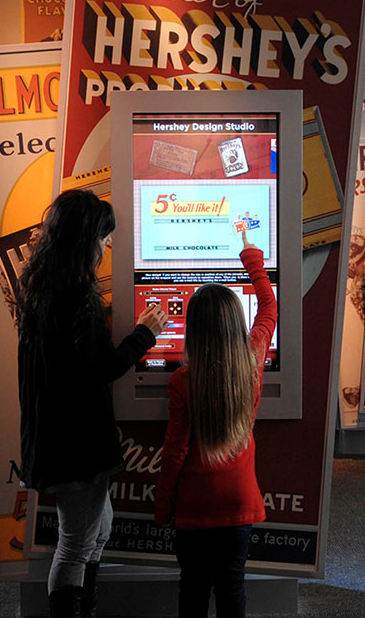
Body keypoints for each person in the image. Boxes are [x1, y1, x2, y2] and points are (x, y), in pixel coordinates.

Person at [16, 189, 167, 618]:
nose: (106, 246)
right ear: (84, 239)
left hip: (59, 438)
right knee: (77, 544)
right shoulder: (78, 299)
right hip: (76, 443)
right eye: (103, 238)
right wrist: (146, 332)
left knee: (96, 532)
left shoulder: (40, 289)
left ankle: (85, 607)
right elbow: (103, 367)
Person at [154, 231, 277, 618]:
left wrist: (162, 506)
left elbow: (175, 451)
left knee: (192, 588)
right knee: (232, 587)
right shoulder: (252, 361)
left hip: (194, 506)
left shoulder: (183, 381)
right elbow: (270, 306)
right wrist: (249, 254)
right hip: (240, 501)